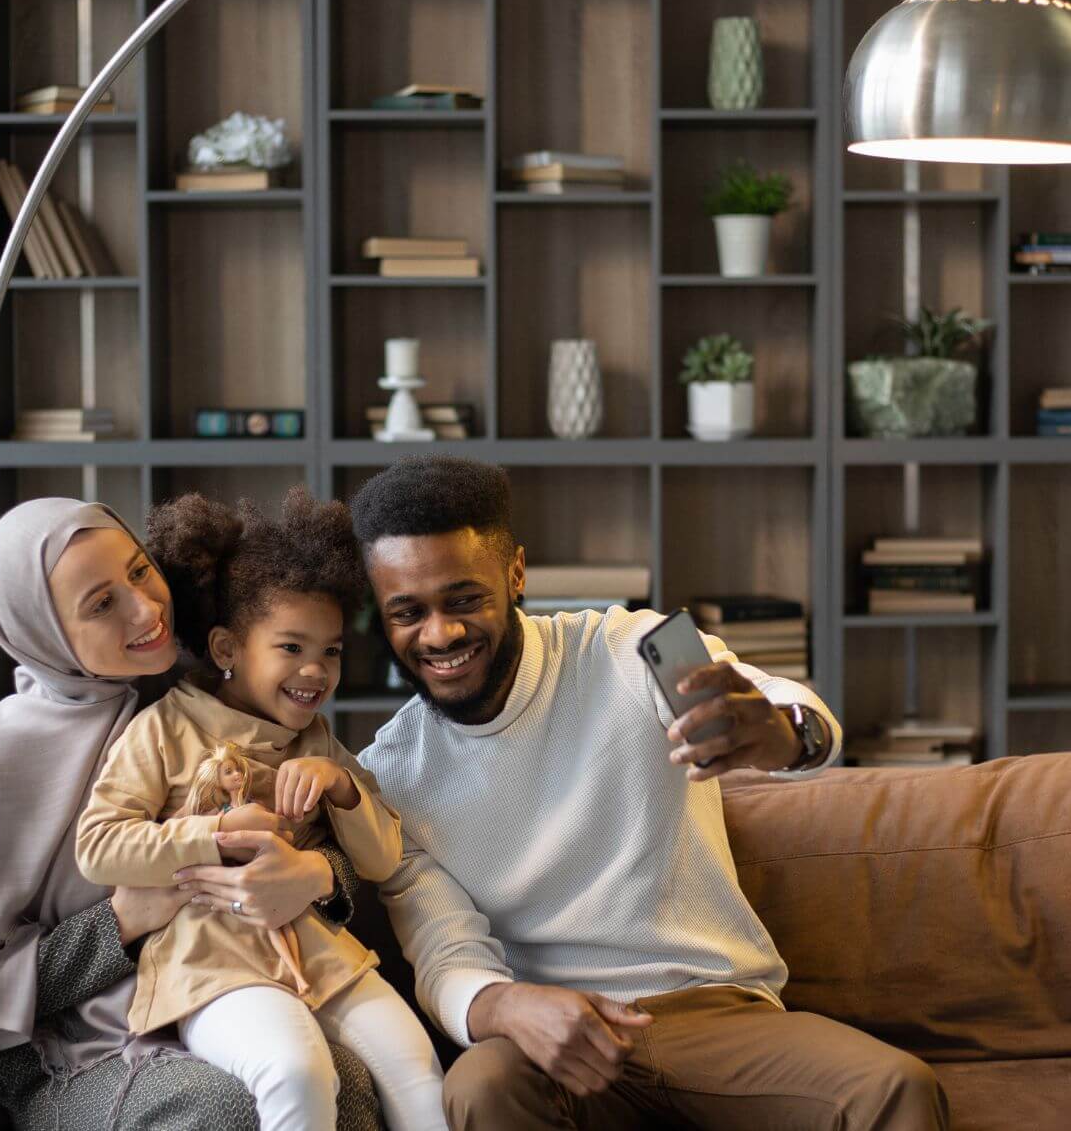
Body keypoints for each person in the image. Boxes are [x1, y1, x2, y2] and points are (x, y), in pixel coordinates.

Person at [349, 456, 948, 1130]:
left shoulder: (634, 645)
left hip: (715, 1012)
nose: (440, 633)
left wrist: (781, 733)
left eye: (463, 598)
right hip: (565, 1038)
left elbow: (782, 703)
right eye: (408, 611)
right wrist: (506, 1006)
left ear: (515, 573)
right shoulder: (391, 776)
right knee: (482, 1082)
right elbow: (444, 952)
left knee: (894, 1086)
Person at [0, 497, 383, 1130]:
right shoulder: (2, 758)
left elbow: (323, 827)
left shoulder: (206, 695)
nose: (147, 610)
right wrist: (120, 921)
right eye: (100, 603)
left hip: (223, 991)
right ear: (45, 631)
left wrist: (314, 873)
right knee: (220, 1110)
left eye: (139, 572)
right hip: (71, 1052)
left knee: (353, 1085)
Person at [77, 489, 447, 1131]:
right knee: (298, 1072)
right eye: (291, 647)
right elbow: (99, 846)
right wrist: (211, 832)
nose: (317, 671)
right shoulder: (163, 729)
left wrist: (340, 787)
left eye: (331, 650)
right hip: (210, 964)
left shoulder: (318, 740)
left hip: (317, 954)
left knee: (417, 1067)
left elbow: (384, 856)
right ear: (226, 650)